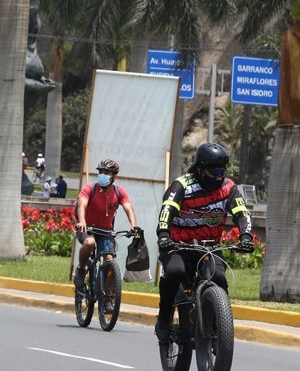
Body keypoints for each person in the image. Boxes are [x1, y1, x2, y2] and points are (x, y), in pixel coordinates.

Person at [154, 142, 254, 343]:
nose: (218, 175)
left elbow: (242, 213)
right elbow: (167, 210)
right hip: (178, 246)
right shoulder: (182, 185)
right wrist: (164, 234)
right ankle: (164, 317)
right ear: (200, 169)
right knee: (175, 272)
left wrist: (246, 236)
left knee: (218, 278)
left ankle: (218, 330)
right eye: (213, 171)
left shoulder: (229, 188)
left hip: (209, 247)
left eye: (221, 171)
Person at [73, 159, 140, 310]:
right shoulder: (90, 189)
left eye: (106, 173)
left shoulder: (119, 192)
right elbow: (82, 205)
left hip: (105, 231)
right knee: (89, 243)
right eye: (100, 172)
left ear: (114, 176)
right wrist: (82, 221)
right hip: (87, 228)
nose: (102, 175)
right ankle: (81, 269)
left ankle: (109, 298)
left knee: (109, 260)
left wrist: (133, 225)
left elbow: (128, 208)